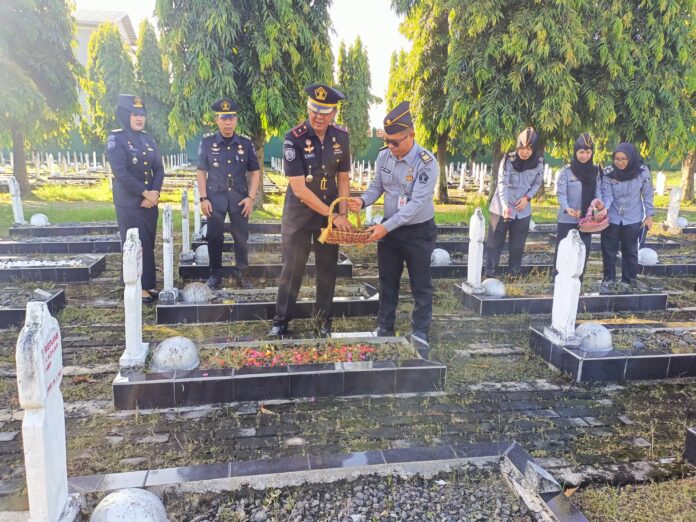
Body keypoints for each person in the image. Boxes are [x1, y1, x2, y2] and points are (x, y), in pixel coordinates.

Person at [347, 101, 438, 352]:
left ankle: (420, 331)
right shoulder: (383, 156)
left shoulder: (426, 162)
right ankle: (385, 326)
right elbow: (377, 186)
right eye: (386, 141)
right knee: (387, 280)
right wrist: (362, 200)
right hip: (389, 230)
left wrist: (385, 227)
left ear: (412, 135)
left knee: (421, 283)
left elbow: (417, 203)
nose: (390, 146)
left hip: (418, 231)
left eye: (395, 142)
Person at [268, 84, 352, 337]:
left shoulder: (341, 136)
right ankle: (281, 321)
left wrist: (343, 214)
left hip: (329, 216)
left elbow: (343, 178)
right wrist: (333, 214)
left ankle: (322, 322)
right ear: (307, 107)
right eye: (314, 109)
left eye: (324, 112)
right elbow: (299, 189)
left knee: (327, 269)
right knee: (292, 268)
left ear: (334, 112)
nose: (318, 116)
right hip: (299, 216)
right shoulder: (294, 138)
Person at [196, 98, 261, 289]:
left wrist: (251, 198)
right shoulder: (207, 142)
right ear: (217, 120)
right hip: (214, 198)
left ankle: (242, 273)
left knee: (241, 237)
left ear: (236, 120)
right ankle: (215, 274)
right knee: (214, 237)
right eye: (223, 119)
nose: (227, 123)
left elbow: (255, 172)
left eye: (231, 119)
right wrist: (203, 198)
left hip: (240, 199)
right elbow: (201, 171)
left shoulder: (245, 143)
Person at [106, 94, 165, 303]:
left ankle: (146, 284)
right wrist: (144, 192)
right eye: (134, 114)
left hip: (149, 202)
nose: (139, 118)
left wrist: (154, 193)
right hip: (130, 202)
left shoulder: (148, 139)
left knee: (148, 242)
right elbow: (121, 172)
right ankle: (135, 286)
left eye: (142, 114)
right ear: (125, 115)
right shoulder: (117, 139)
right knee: (133, 244)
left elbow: (159, 168)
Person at [485, 127, 544, 277]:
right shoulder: (508, 160)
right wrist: (504, 205)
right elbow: (502, 183)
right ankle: (489, 275)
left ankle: (514, 275)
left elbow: (537, 183)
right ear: (517, 146)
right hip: (501, 208)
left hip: (522, 210)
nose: (524, 152)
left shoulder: (538, 163)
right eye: (522, 148)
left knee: (517, 246)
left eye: (528, 149)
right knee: (494, 244)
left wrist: (527, 198)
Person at [600, 143, 654, 288]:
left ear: (631, 158)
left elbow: (648, 194)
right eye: (616, 159)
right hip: (612, 216)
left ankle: (628, 281)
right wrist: (604, 209)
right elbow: (607, 195)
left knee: (630, 250)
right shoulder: (608, 172)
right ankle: (609, 280)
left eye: (623, 159)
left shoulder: (642, 171)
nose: (620, 162)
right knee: (608, 249)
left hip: (633, 217)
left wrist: (650, 216)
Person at [553, 132, 604, 279]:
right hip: (567, 218)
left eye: (588, 152)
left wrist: (597, 207)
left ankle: (578, 278)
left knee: (583, 248)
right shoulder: (567, 171)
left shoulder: (595, 171)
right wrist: (567, 208)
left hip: (587, 219)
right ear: (575, 152)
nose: (585, 156)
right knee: (563, 248)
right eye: (581, 152)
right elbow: (561, 193)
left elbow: (598, 192)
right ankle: (558, 277)